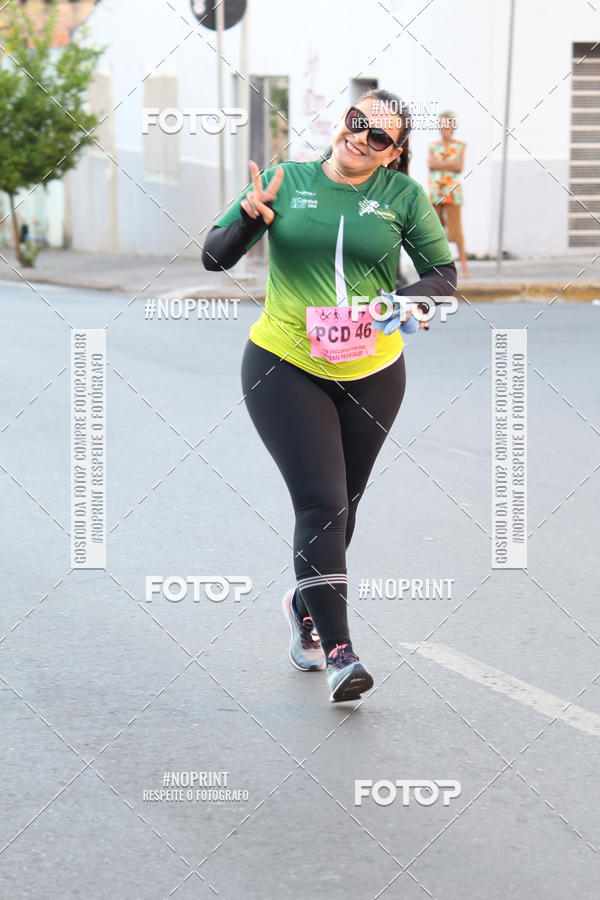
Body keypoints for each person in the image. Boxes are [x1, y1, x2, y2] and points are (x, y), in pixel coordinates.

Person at [202, 89, 457, 702]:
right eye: (357, 122)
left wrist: (412, 299)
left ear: (394, 154)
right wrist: (247, 219)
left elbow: (444, 276)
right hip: (285, 363)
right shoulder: (283, 180)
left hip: (374, 370)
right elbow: (214, 256)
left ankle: (304, 605)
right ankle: (341, 653)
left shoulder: (404, 198)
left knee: (344, 509)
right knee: (319, 504)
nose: (361, 137)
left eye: (379, 137)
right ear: (343, 121)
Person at [428, 110, 469, 278]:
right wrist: (448, 164)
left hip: (452, 192)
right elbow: (431, 164)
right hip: (436, 191)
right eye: (441, 124)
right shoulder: (433, 146)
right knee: (436, 229)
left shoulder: (460, 145)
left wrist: (440, 164)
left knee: (456, 229)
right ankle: (438, 268)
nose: (443, 128)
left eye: (446, 124)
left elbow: (458, 166)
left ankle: (465, 268)